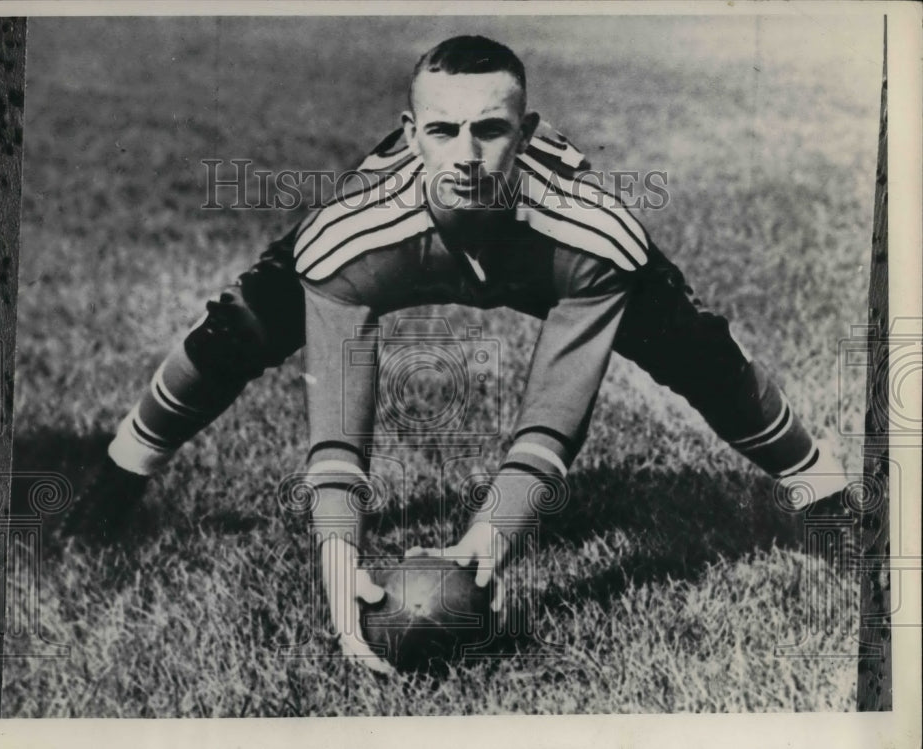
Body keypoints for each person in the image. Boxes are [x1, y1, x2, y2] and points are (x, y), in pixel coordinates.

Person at [66, 37, 853, 672]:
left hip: (549, 244)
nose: (467, 155)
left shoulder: (591, 232)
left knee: (703, 354)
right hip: (393, 242)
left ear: (529, 130)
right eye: (442, 130)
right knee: (233, 330)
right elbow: (340, 424)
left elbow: (554, 415)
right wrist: (339, 558)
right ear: (409, 136)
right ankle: (122, 468)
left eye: (492, 128)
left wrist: (493, 534)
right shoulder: (353, 235)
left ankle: (824, 488)